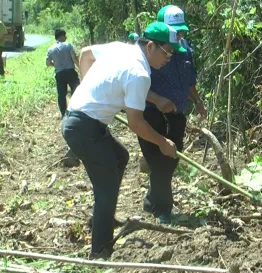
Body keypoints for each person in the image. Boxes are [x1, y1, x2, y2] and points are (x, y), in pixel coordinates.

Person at [62, 22, 182, 259]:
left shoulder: (120, 49)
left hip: (80, 120)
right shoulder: (140, 73)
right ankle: (100, 253)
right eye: (167, 51)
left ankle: (105, 217)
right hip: (85, 128)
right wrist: (163, 143)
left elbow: (86, 55)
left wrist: (89, 89)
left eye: (172, 53)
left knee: (120, 157)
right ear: (150, 46)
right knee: (105, 189)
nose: (169, 58)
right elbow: (137, 124)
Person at [137, 4, 207, 224]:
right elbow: (135, 83)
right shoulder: (149, 49)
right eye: (174, 30)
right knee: (159, 160)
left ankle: (151, 199)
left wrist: (197, 101)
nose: (179, 35)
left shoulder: (185, 49)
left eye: (181, 30)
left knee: (172, 156)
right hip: (150, 112)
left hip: (177, 112)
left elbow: (189, 80)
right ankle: (163, 210)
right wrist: (156, 100)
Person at [46, 29, 80, 117]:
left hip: (59, 74)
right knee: (76, 91)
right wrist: (80, 67)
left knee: (61, 94)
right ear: (62, 36)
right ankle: (75, 110)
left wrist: (56, 65)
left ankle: (63, 113)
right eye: (65, 35)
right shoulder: (68, 45)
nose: (66, 37)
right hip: (71, 72)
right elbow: (74, 58)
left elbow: (48, 63)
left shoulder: (50, 49)